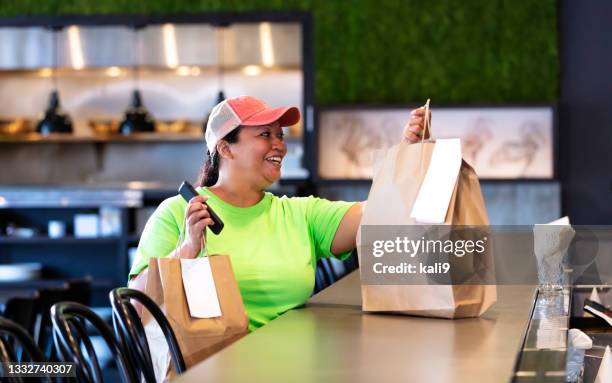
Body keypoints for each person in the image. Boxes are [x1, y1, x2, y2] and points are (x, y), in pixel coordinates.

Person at [128, 95, 430, 331]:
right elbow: (135, 310)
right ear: (225, 148)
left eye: (281, 135)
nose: (279, 145)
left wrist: (408, 152)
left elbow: (377, 211)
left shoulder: (298, 213)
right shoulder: (179, 213)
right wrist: (186, 252)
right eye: (265, 135)